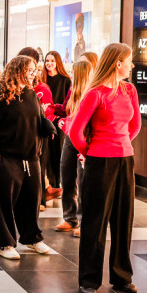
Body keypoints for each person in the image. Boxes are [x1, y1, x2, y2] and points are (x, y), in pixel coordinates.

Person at [67, 43, 141, 293]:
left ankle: (121, 277)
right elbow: (74, 131)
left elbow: (136, 125)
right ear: (117, 63)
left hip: (125, 160)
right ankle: (89, 280)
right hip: (100, 161)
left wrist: (123, 144)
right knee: (95, 222)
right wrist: (90, 152)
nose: (132, 65)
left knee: (123, 220)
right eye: (129, 61)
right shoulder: (95, 94)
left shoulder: (129, 90)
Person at [0, 55, 56, 259]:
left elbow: (38, 118)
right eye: (30, 70)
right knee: (5, 203)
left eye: (34, 71)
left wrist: (48, 126)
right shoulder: (1, 96)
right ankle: (5, 243)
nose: (33, 74)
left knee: (31, 200)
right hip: (8, 158)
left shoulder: (31, 94)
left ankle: (32, 238)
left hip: (31, 158)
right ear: (18, 71)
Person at [56, 59, 93, 236]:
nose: (70, 75)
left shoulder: (92, 93)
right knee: (67, 176)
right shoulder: (73, 90)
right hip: (69, 138)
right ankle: (69, 218)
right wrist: (54, 109)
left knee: (83, 179)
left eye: (73, 73)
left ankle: (84, 221)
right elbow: (65, 109)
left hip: (84, 139)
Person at [19, 47, 55, 209]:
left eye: (32, 69)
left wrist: (49, 125)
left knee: (39, 164)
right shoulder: (16, 88)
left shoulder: (42, 89)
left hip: (38, 133)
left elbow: (49, 111)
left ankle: (40, 199)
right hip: (21, 133)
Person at [42, 51, 72, 200]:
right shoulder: (42, 79)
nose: (49, 63)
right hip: (45, 119)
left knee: (58, 151)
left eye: (53, 61)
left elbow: (68, 103)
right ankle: (50, 183)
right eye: (47, 60)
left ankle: (59, 183)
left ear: (58, 62)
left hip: (59, 120)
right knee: (46, 152)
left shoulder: (65, 80)